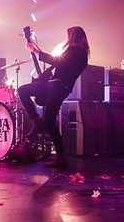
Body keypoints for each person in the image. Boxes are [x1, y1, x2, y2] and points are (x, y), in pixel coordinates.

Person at [18, 26, 90, 167]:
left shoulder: (76, 51)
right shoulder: (80, 54)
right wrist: (45, 76)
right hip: (54, 86)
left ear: (73, 36)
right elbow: (63, 68)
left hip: (57, 87)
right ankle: (59, 153)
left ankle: (38, 124)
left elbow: (56, 61)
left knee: (46, 116)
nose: (67, 39)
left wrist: (35, 51)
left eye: (69, 35)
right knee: (26, 94)